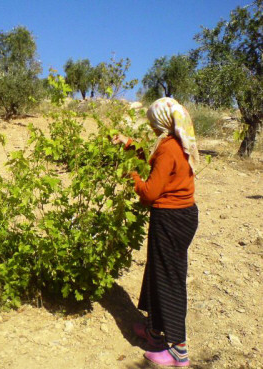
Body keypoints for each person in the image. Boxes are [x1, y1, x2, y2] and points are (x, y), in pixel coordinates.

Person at [113, 97, 199, 367]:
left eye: (153, 123)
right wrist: (130, 146)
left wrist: (131, 176)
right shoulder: (174, 143)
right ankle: (154, 331)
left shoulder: (168, 148)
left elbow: (150, 192)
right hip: (180, 215)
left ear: (162, 121)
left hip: (171, 218)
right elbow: (158, 171)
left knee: (169, 278)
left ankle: (178, 351)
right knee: (157, 271)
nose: (151, 128)